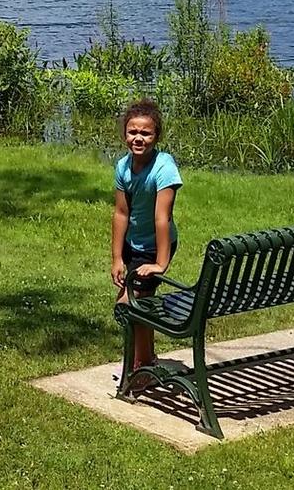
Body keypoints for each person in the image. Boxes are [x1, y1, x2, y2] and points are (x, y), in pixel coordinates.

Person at [110, 97, 182, 378]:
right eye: (132, 132)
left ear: (156, 136)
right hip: (133, 246)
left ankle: (139, 368)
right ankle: (147, 359)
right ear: (124, 133)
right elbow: (120, 213)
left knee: (128, 306)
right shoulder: (123, 167)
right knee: (143, 304)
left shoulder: (164, 169)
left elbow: (161, 218)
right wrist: (117, 257)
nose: (138, 138)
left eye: (145, 133)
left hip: (155, 247)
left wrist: (160, 263)